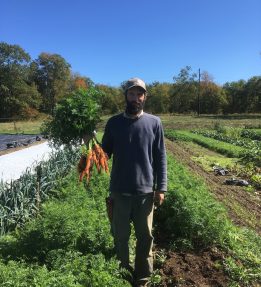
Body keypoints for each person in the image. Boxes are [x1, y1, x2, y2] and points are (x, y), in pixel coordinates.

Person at [102, 77, 167, 287]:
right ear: (126, 96)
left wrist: (161, 187)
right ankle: (123, 275)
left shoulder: (154, 123)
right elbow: (104, 155)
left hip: (145, 193)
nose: (135, 98)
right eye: (131, 93)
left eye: (140, 94)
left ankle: (143, 278)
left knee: (145, 237)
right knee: (120, 236)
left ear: (145, 97)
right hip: (119, 191)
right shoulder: (113, 123)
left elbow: (160, 157)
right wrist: (89, 144)